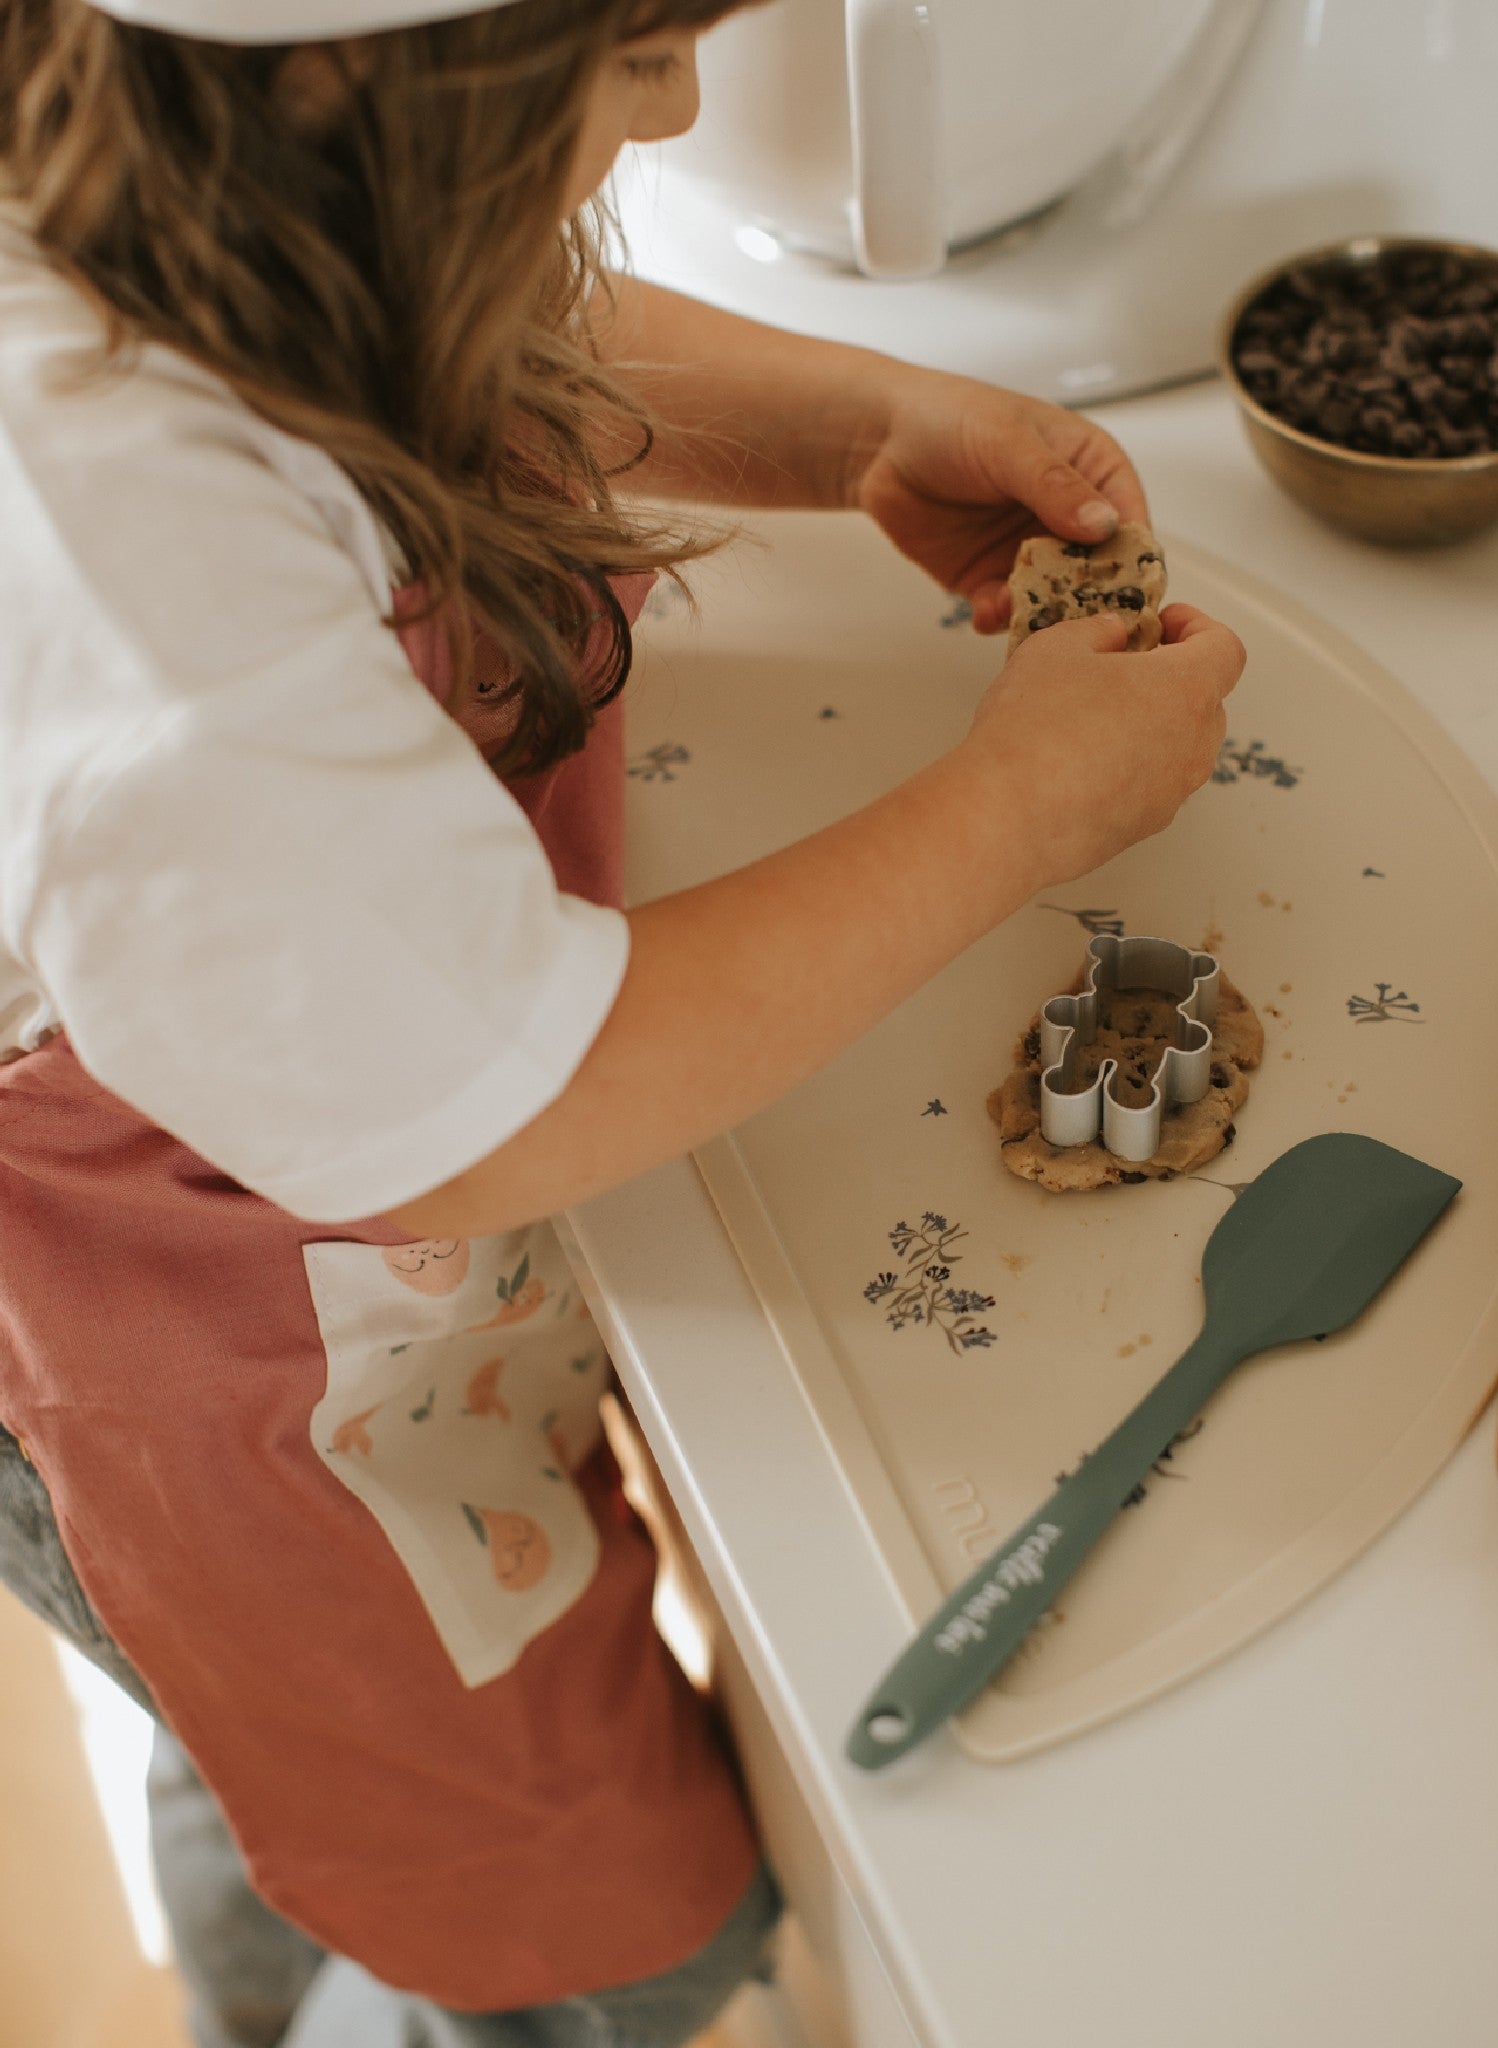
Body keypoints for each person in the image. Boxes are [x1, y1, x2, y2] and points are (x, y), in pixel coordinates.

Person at [0, 1, 1246, 2043]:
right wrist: (1010, 809)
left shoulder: (202, 163)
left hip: (358, 1261)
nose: (672, 111)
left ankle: (268, 1935)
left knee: (270, 1766)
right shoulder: (133, 590)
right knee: (573, 1916)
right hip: (211, 1375)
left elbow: (468, 340)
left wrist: (840, 425)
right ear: (346, 78)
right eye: (641, 64)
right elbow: (504, 1099)